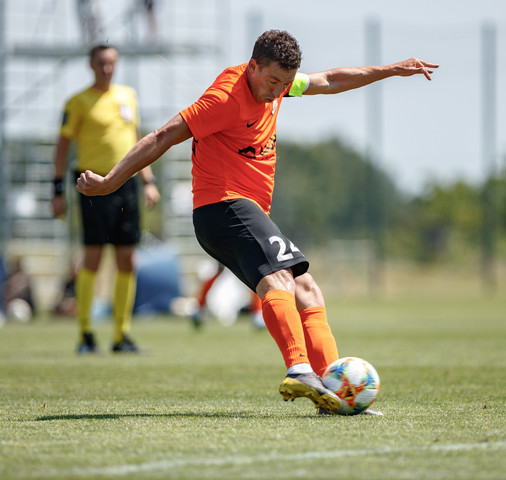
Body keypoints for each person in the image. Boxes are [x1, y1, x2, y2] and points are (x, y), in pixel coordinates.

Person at [76, 30, 437, 412]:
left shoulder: (277, 84)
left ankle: (331, 390)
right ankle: (299, 368)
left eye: (285, 83)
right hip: (222, 206)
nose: (278, 90)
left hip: (244, 211)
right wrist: (110, 182)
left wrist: (391, 70)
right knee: (280, 280)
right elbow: (164, 134)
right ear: (253, 66)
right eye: (272, 81)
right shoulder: (224, 99)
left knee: (307, 290)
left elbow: (330, 80)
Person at [53, 44, 161, 354]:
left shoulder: (128, 95)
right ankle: (86, 334)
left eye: (112, 63)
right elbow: (62, 148)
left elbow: (139, 143)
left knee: (128, 260)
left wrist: (148, 180)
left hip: (126, 186)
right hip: (91, 186)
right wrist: (58, 190)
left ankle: (121, 335)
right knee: (93, 258)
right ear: (91, 64)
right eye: (101, 63)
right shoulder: (77, 102)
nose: (107, 69)